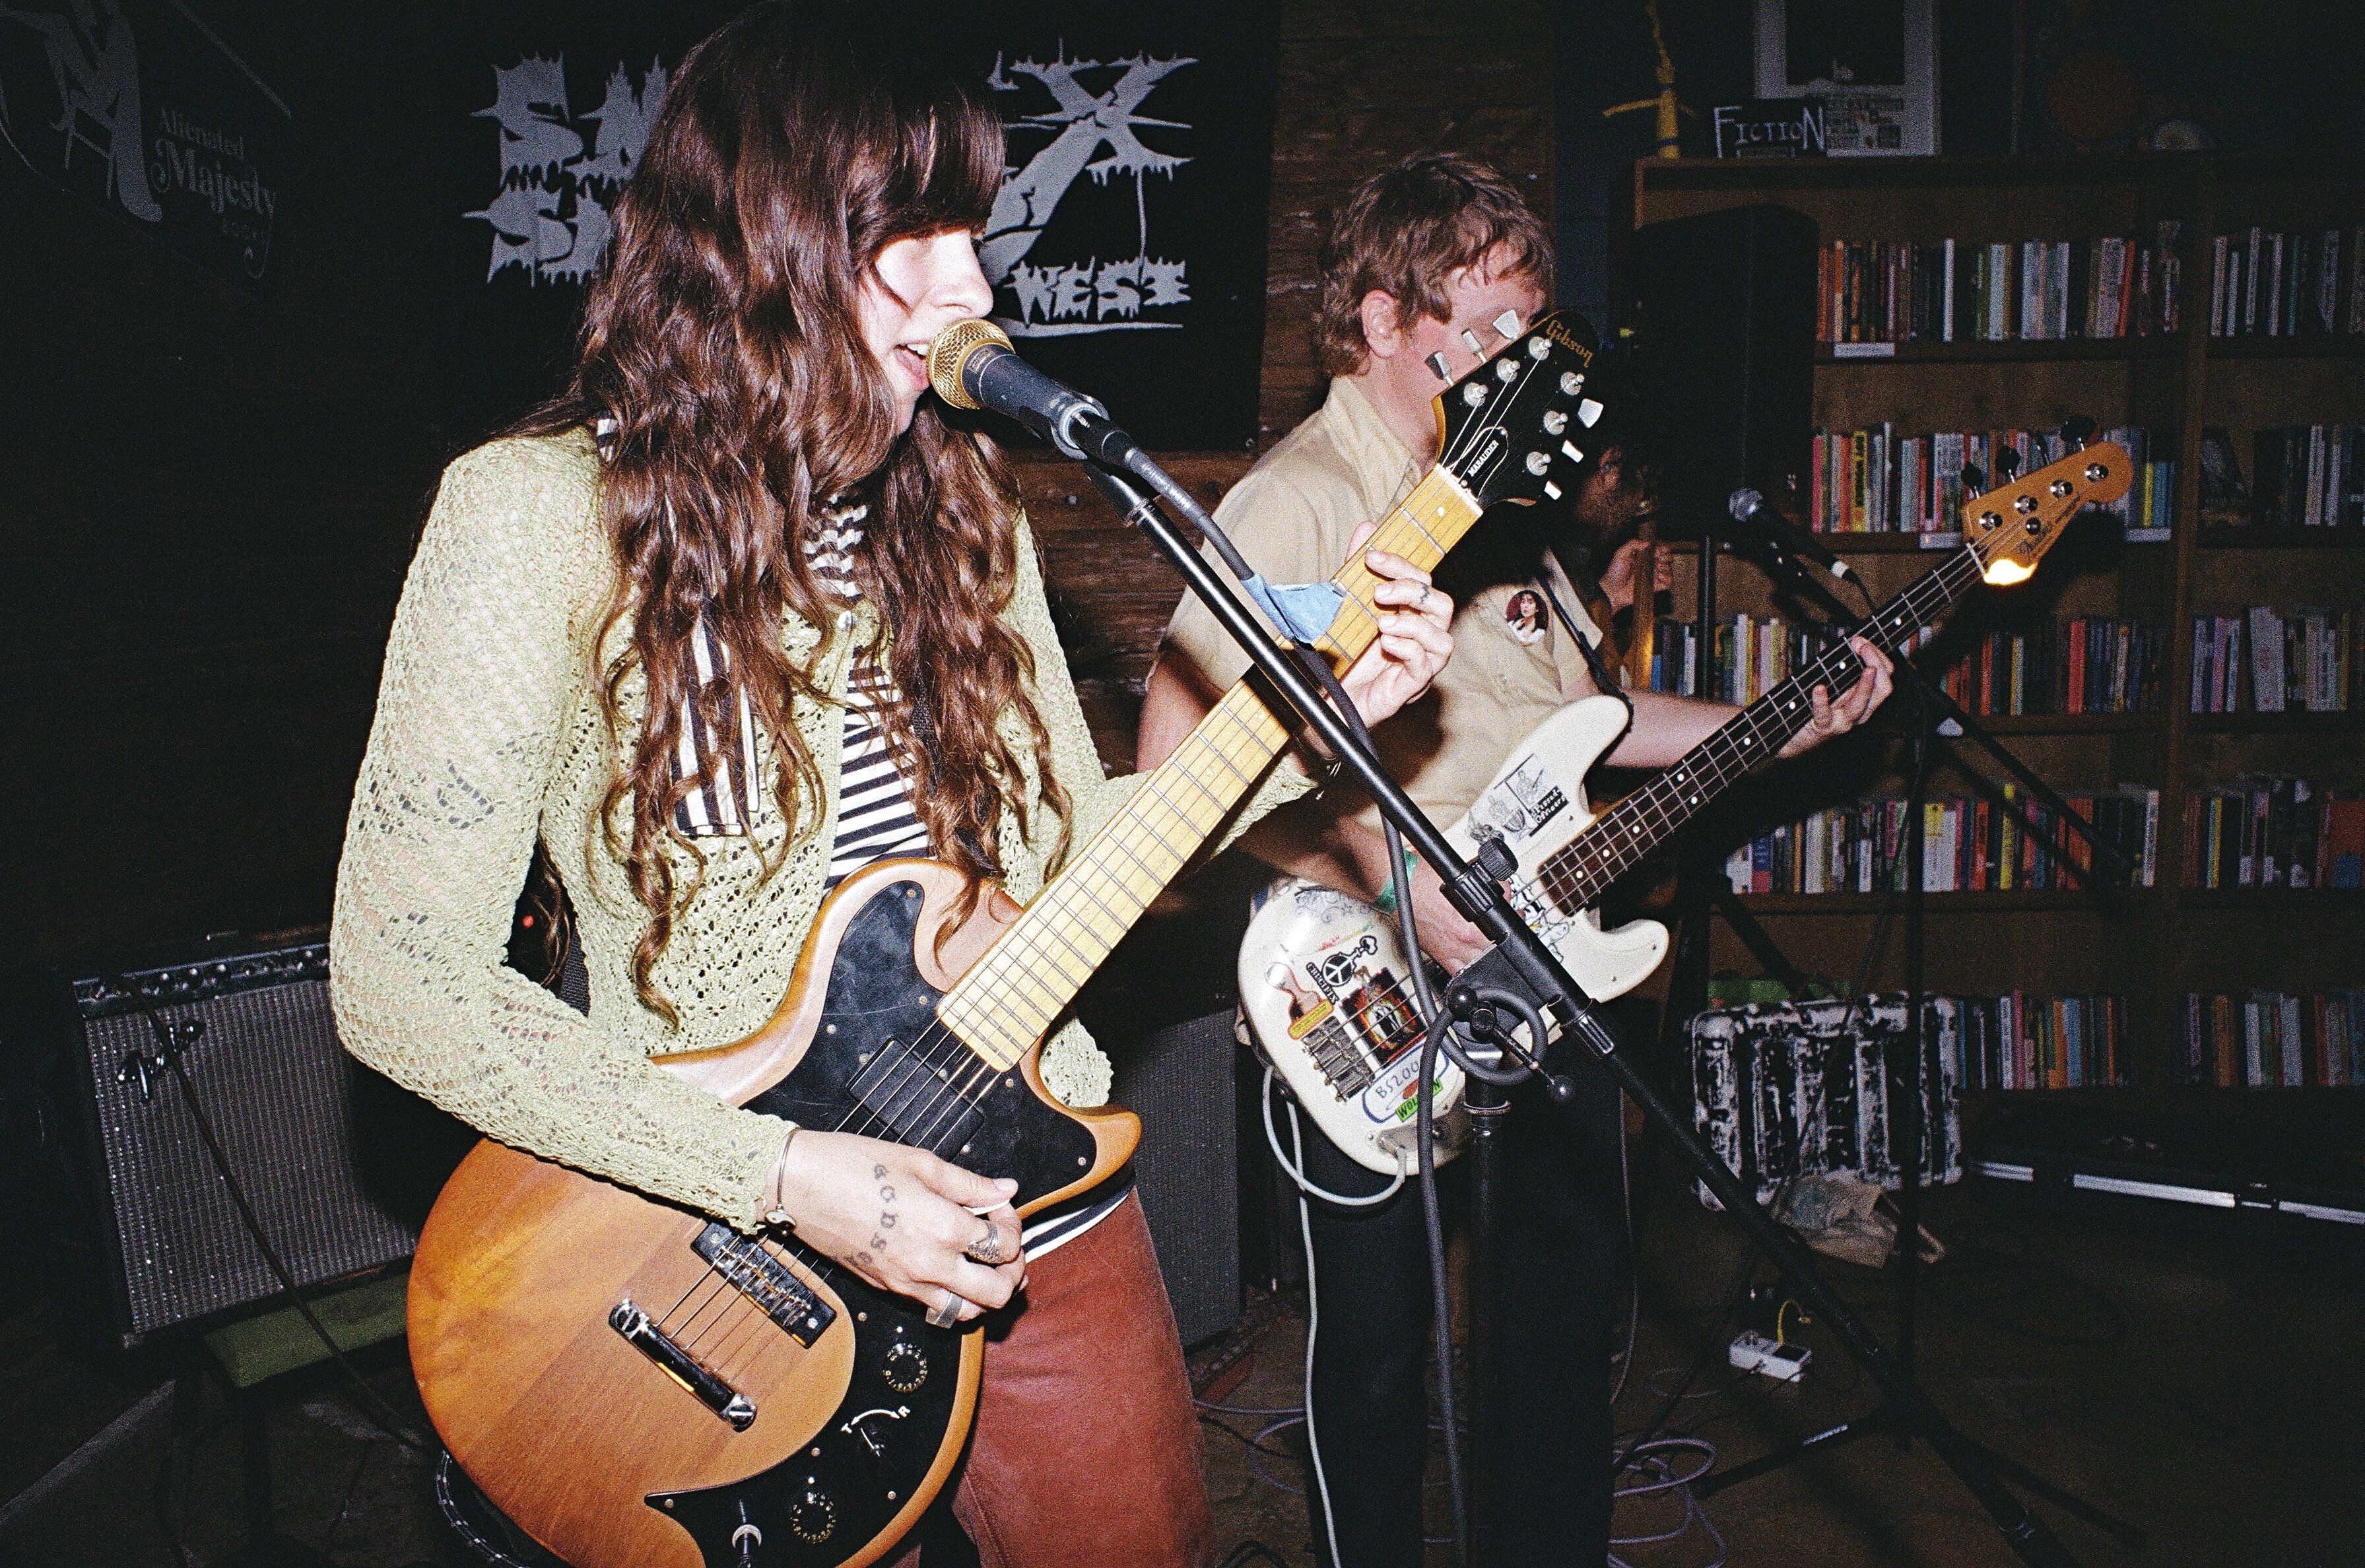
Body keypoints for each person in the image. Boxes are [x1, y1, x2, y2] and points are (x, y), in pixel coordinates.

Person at [327, 11, 1453, 1567]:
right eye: (908, 235)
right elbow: (402, 978)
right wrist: (784, 1175)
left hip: (1035, 1206)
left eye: (972, 230)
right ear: (753, 247)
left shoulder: (966, 509)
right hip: (725, 1239)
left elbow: (1062, 855)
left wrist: (1304, 726)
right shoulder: (534, 518)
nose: (971, 287)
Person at [1136, 151, 1892, 1567]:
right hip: (1360, 980)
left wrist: (1784, 724)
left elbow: (1587, 724)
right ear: (1381, 320)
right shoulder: (1301, 501)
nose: (1515, 359)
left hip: (1542, 966)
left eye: (1526, 330)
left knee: (1556, 1320)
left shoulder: (1498, 503)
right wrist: (1392, 883)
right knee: (1376, 1348)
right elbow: (1177, 769)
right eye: (1481, 327)